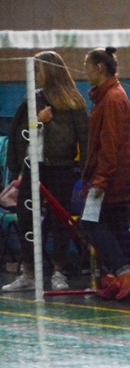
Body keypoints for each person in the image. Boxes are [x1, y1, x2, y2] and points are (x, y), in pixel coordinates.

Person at [2, 51, 89, 293]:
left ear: (49, 72)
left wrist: (86, 173)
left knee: (60, 221)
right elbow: (18, 135)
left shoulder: (74, 102)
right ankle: (28, 273)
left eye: (38, 71)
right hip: (33, 169)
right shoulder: (31, 99)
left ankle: (59, 271)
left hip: (62, 169)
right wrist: (37, 123)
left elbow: (85, 139)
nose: (35, 76)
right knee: (26, 219)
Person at [80, 47, 130, 300]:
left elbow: (110, 144)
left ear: (99, 68)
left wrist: (100, 181)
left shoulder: (112, 98)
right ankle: (128, 279)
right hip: (116, 177)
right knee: (117, 226)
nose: (84, 73)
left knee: (90, 223)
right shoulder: (108, 96)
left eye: (87, 68)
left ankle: (122, 271)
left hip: (110, 179)